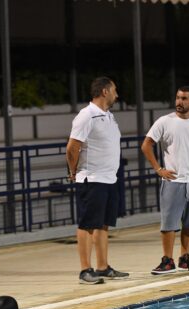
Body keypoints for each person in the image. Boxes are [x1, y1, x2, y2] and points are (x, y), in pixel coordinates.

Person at [141, 86, 189, 275]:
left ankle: (185, 258)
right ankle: (167, 260)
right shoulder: (164, 121)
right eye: (177, 98)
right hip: (173, 180)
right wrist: (158, 169)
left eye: (184, 98)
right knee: (169, 223)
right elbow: (146, 145)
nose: (179, 102)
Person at [66, 77, 129, 284]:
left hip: (110, 178)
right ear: (104, 92)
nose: (116, 95)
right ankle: (85, 270)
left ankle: (103, 267)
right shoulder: (86, 116)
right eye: (114, 90)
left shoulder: (108, 116)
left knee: (103, 224)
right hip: (92, 178)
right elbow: (72, 147)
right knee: (87, 224)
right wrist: (73, 171)